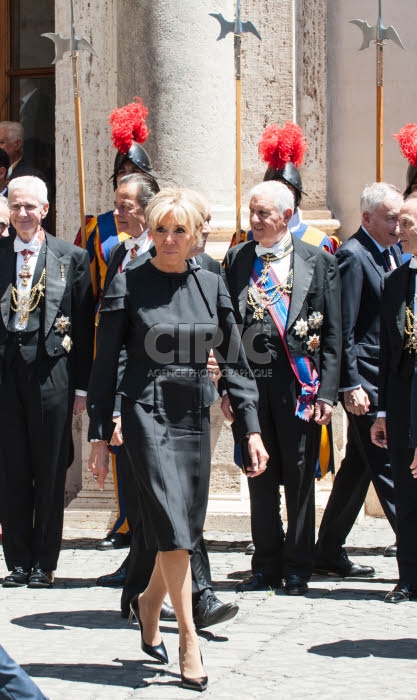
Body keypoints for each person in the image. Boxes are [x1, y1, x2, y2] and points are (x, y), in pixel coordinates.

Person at [87, 187, 267, 691]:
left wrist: (249, 426)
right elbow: (104, 369)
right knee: (170, 522)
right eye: (160, 229)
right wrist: (101, 437)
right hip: (146, 411)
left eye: (178, 231)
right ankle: (189, 637)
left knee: (185, 523)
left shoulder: (211, 283)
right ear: (150, 230)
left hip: (193, 412)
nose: (168, 239)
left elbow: (235, 357)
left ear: (193, 236)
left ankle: (149, 601)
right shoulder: (127, 284)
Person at [222, 180, 341, 595]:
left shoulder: (318, 260)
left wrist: (327, 392)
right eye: (251, 212)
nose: (253, 221)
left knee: (300, 476)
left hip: (299, 386)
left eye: (262, 214)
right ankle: (265, 565)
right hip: (251, 387)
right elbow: (226, 330)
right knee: (259, 475)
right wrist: (225, 388)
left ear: (286, 217)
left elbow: (333, 334)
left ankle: (298, 566)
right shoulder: (237, 258)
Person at [0, 176, 94, 588]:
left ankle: (44, 562)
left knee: (51, 466)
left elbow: (86, 323)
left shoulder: (70, 257)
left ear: (45, 210)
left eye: (29, 207)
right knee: (11, 467)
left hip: (52, 372)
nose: (22, 214)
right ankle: (17, 560)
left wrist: (82, 388)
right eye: (15, 206)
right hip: (5, 372)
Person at [76, 99, 159, 554]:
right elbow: (90, 286)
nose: (126, 171)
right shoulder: (99, 229)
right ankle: (126, 525)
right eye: (121, 170)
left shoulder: (158, 233)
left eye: (134, 170)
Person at [314, 182, 403, 576]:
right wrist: (349, 385)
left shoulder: (392, 252)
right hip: (365, 382)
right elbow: (342, 328)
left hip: (386, 377)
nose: (398, 227)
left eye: (401, 219)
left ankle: (327, 549)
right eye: (390, 219)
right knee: (386, 462)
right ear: (367, 218)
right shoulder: (353, 255)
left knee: (359, 466)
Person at [371, 193, 417, 603]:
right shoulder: (395, 281)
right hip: (402, 401)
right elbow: (388, 352)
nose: (397, 230)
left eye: (406, 223)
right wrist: (382, 411)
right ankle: (408, 576)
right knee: (405, 487)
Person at [230, 122, 339, 253]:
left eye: (287, 189)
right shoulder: (246, 239)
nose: (279, 195)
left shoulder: (319, 242)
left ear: (296, 196)